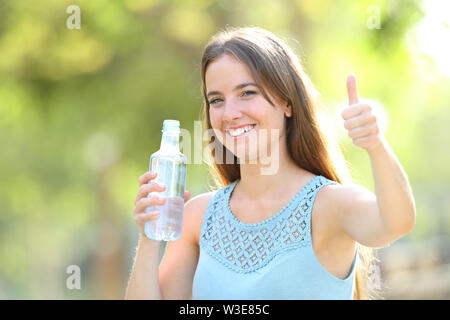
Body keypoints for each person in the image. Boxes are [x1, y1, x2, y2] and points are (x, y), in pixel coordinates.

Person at [125, 27, 416, 300]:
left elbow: (396, 223)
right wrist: (150, 236)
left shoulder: (328, 206)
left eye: (247, 93)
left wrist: (376, 146)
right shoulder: (197, 217)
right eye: (216, 100)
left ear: (287, 102)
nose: (230, 113)